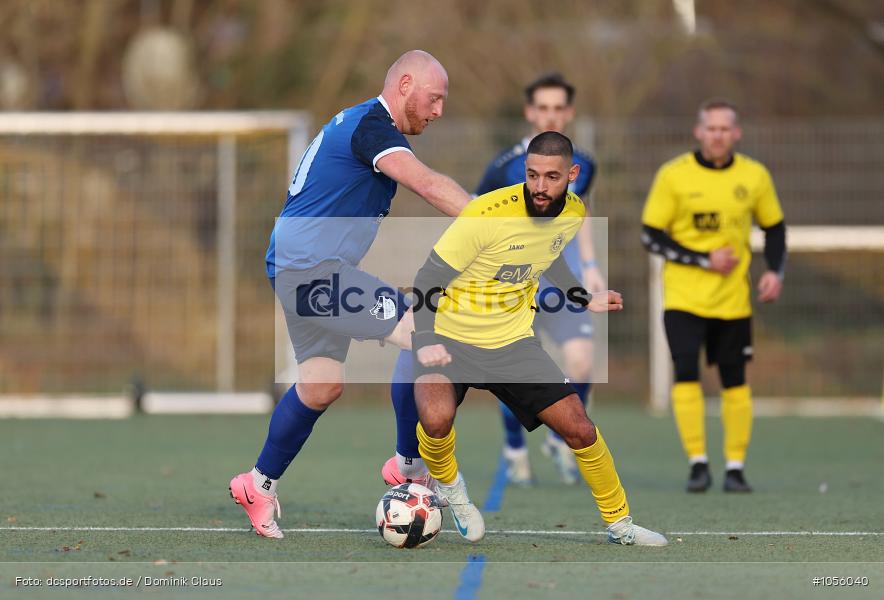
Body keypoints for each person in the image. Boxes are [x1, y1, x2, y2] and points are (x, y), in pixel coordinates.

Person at [228, 50, 472, 538]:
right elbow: (424, 183)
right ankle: (408, 465)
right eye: (435, 98)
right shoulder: (372, 127)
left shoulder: (365, 124)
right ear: (405, 84)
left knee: (321, 385)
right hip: (312, 272)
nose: (439, 111)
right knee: (426, 332)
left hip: (300, 266)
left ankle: (257, 484)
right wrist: (492, 222)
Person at [409, 131, 667, 546]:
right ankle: (454, 495)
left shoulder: (574, 212)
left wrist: (584, 298)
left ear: (572, 175)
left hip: (513, 344)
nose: (540, 187)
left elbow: (551, 257)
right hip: (450, 338)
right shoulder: (485, 214)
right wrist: (424, 340)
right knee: (435, 420)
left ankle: (621, 525)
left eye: (551, 177)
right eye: (532, 176)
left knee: (580, 428)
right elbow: (426, 280)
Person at [641, 99, 786, 493]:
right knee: (686, 372)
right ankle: (698, 464)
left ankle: (735, 467)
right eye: (711, 128)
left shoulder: (755, 176)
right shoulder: (674, 175)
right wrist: (704, 260)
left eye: (726, 129)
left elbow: (775, 228)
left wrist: (775, 270)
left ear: (736, 134)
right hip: (683, 299)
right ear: (698, 131)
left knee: (734, 380)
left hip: (733, 301)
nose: (718, 135)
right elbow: (650, 235)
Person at [474, 72, 603, 486]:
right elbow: (476, 215)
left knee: (582, 361)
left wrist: (592, 266)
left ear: (570, 112)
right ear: (530, 112)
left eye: (558, 108)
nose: (550, 115)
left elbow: (579, 212)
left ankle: (560, 437)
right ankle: (514, 447)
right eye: (542, 107)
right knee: (516, 372)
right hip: (516, 284)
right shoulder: (505, 165)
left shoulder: (586, 163)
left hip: (564, 282)